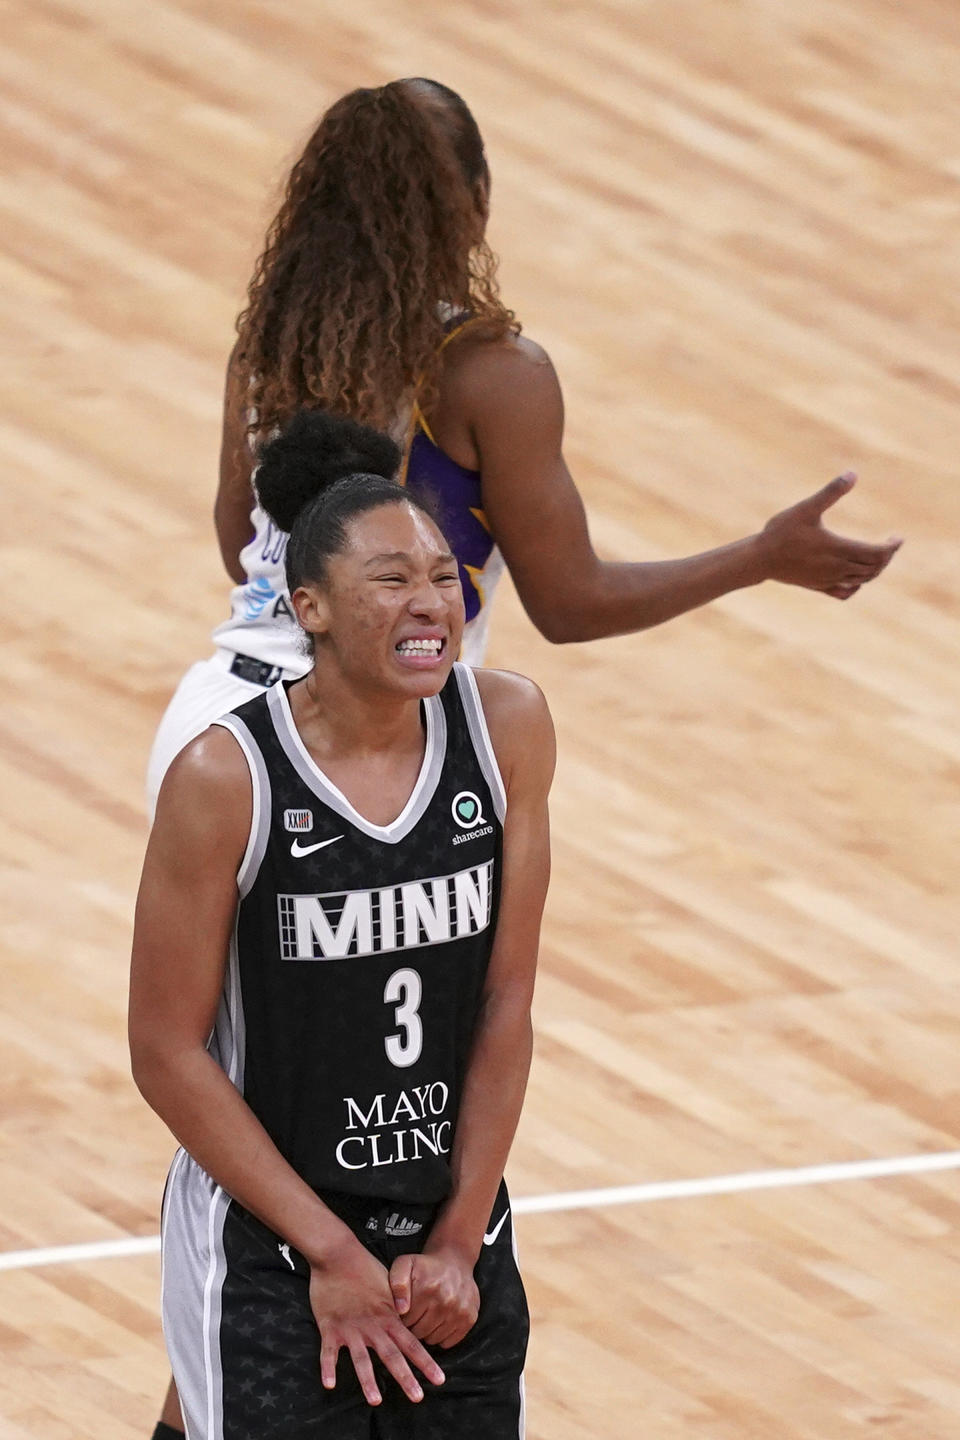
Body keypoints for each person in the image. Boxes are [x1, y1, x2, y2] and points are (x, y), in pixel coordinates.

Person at [145, 75, 902, 818]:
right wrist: (761, 557)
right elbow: (571, 604)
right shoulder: (492, 375)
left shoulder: (271, 343)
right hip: (371, 755)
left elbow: (238, 540)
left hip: (215, 731)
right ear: (473, 206)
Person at [130, 409, 555, 1440]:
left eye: (444, 575)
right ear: (306, 605)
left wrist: (459, 1240)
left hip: (447, 1242)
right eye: (391, 579)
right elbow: (166, 1051)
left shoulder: (507, 730)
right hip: (274, 1245)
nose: (431, 603)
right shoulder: (226, 775)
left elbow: (506, 1001)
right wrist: (329, 1253)